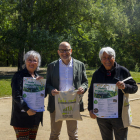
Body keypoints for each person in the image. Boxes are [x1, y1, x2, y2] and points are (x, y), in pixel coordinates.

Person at [88, 47, 138, 140]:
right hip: (102, 115)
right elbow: (91, 92)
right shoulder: (97, 74)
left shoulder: (123, 71)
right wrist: (90, 109)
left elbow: (134, 88)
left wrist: (124, 86)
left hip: (120, 115)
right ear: (101, 59)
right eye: (104, 57)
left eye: (110, 57)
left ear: (114, 58)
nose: (107, 60)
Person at [46, 41, 88, 140]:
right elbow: (47, 84)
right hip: (56, 103)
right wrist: (51, 90)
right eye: (62, 50)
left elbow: (85, 82)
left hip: (72, 104)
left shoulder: (79, 65)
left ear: (71, 51)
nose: (64, 53)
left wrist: (83, 88)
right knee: (54, 134)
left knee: (73, 135)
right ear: (58, 52)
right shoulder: (52, 66)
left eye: (67, 50)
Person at [10, 50, 44, 140]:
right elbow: (16, 95)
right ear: (25, 61)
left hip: (35, 116)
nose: (32, 62)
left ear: (38, 63)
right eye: (29, 60)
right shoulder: (18, 76)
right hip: (22, 117)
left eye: (35, 60)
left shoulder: (38, 77)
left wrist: (42, 86)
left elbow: (42, 96)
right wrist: (26, 109)